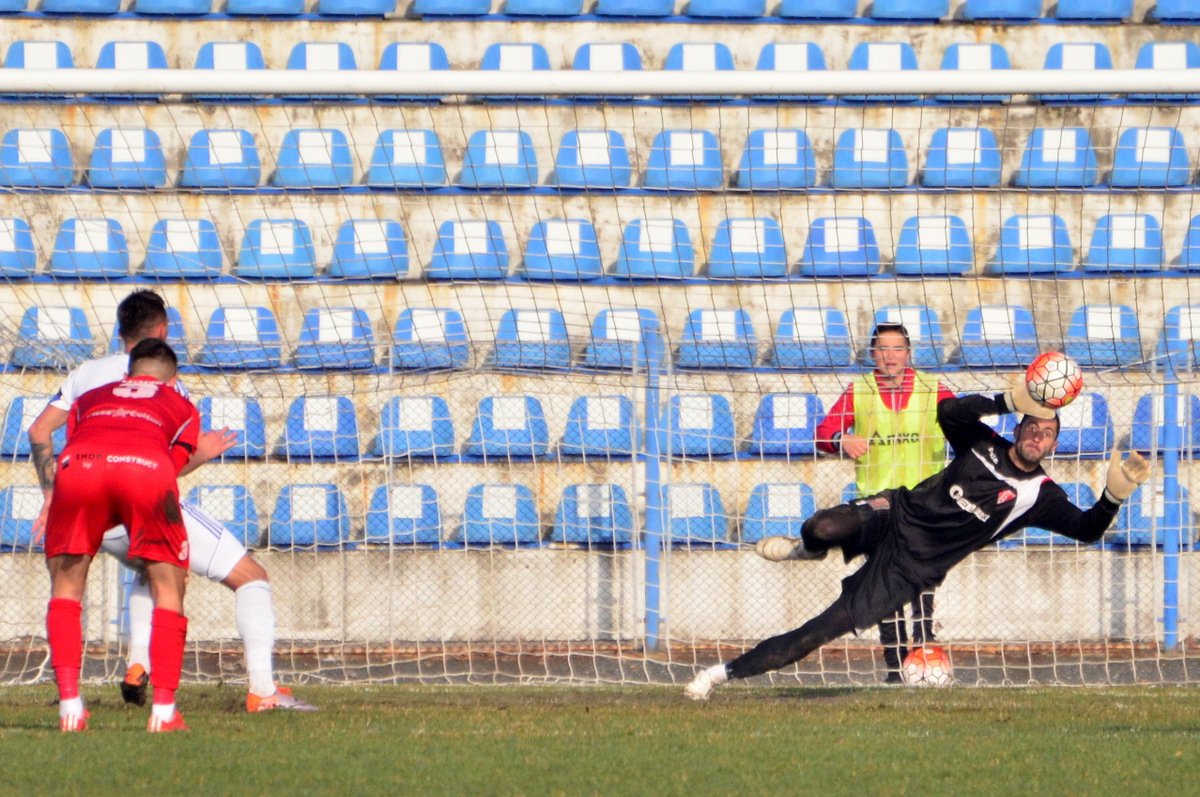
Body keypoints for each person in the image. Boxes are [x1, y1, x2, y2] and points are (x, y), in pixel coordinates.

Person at [685, 381, 1151, 700]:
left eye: (1047, 434)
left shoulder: (1040, 495)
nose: (1037, 436)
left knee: (816, 633)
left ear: (1052, 445)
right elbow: (948, 411)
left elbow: (1088, 529)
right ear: (1020, 429)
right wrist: (1009, 398)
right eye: (1032, 427)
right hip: (895, 514)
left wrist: (1113, 495)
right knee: (822, 528)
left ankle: (718, 675)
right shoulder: (982, 443)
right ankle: (804, 550)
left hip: (908, 570)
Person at [29, 290, 316, 714]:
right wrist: (206, 450)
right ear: (162, 332)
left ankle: (131, 667)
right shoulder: (164, 381)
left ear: (119, 329)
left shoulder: (85, 375)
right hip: (137, 496)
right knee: (249, 576)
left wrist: (52, 492)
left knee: (139, 573)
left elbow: (39, 431)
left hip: (86, 499)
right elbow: (158, 467)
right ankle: (261, 690)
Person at [45, 339, 198, 732]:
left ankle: (70, 709)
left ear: (128, 372)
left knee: (66, 587)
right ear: (172, 378)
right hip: (145, 469)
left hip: (80, 465)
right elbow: (173, 464)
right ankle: (163, 712)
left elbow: (73, 438)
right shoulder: (183, 407)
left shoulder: (92, 396)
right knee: (168, 585)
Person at [806, 322, 955, 683]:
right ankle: (894, 669)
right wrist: (844, 439)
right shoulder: (860, 391)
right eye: (883, 349)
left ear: (908, 353)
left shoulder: (933, 389)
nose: (890, 356)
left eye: (897, 349)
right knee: (885, 588)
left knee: (922, 586)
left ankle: (925, 661)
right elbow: (823, 435)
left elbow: (963, 422)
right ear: (873, 354)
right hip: (877, 506)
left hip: (923, 504)